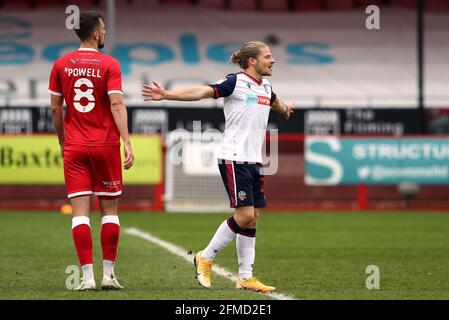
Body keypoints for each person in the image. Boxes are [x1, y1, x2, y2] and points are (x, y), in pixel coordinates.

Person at [142, 41, 294, 293]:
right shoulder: (234, 81)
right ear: (252, 61)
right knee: (244, 215)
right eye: (267, 56)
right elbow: (202, 92)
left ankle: (245, 277)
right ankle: (205, 256)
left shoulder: (266, 86)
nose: (273, 60)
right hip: (234, 158)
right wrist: (167, 95)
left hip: (254, 160)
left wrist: (286, 109)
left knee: (253, 217)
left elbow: (275, 101)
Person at [49, 11, 134, 291]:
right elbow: (117, 104)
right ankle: (108, 275)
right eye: (104, 29)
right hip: (105, 145)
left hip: (75, 146)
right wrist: (127, 141)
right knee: (109, 211)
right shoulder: (110, 64)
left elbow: (55, 109)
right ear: (96, 33)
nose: (106, 33)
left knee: (80, 214)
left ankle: (86, 278)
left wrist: (63, 141)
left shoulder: (61, 64)